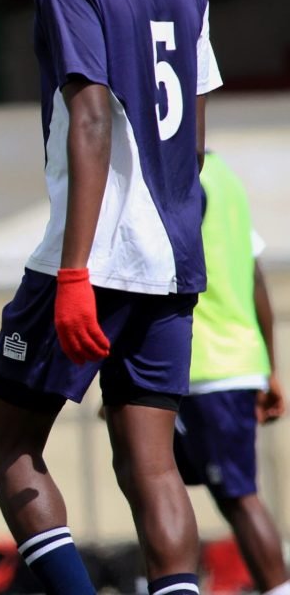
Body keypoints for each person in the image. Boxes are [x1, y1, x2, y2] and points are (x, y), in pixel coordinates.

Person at [0, 0, 222, 594]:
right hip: (171, 257)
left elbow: (90, 115)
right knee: (152, 467)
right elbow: (194, 138)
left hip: (95, 253)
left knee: (6, 443)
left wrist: (74, 273)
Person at [173, 152, 288, 594]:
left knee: (237, 496)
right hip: (234, 363)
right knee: (167, 477)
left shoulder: (179, 172)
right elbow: (256, 277)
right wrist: (269, 369)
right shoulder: (225, 177)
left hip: (204, 365)